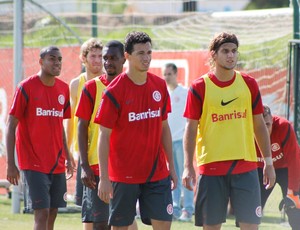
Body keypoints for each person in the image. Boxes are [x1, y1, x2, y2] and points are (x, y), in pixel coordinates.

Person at [182, 32, 276, 230]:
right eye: (225, 51)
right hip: (212, 167)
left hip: (246, 166)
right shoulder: (199, 87)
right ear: (213, 55)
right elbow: (190, 129)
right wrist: (187, 166)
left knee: (251, 226)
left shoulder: (249, 83)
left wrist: (268, 161)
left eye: (234, 51)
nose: (231, 55)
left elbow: (259, 125)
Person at [95, 31, 178, 230]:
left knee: (164, 224)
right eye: (140, 53)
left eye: (149, 52)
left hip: (156, 173)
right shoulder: (114, 91)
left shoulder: (159, 85)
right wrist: (104, 179)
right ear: (127, 56)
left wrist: (172, 168)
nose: (146, 57)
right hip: (124, 176)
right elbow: (103, 135)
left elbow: (164, 128)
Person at [6, 46, 74, 230]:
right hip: (33, 163)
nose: (57, 62)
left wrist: (67, 156)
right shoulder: (26, 87)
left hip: (56, 162)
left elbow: (60, 126)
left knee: (52, 212)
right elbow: (11, 125)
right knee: (41, 213)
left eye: (59, 59)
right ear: (41, 61)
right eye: (52, 58)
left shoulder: (63, 89)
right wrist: (11, 164)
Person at [76, 40, 138, 230]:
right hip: (97, 167)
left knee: (124, 221)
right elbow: (81, 126)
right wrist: (84, 165)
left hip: (125, 168)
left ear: (124, 59)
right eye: (105, 58)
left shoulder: (135, 86)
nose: (108, 62)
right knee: (99, 223)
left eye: (113, 58)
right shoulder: (91, 87)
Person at [65, 38, 103, 223]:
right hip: (85, 153)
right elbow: (72, 121)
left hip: (105, 151)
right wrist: (69, 151)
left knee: (115, 209)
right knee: (88, 212)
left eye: (100, 56)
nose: (97, 60)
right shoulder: (75, 84)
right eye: (93, 56)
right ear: (83, 58)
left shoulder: (112, 81)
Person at [257, 105, 300, 229]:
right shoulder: (246, 131)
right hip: (260, 169)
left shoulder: (283, 126)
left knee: (295, 208)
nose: (264, 130)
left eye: (267, 125)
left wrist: (292, 191)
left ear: (272, 119)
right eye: (260, 126)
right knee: (250, 211)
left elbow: (294, 160)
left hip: (286, 168)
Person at [162, 63, 194, 221]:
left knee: (185, 175)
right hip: (168, 141)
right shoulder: (163, 93)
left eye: (169, 74)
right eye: (165, 74)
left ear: (176, 74)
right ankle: (175, 207)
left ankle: (188, 208)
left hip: (181, 140)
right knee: (173, 176)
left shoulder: (185, 92)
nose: (167, 77)